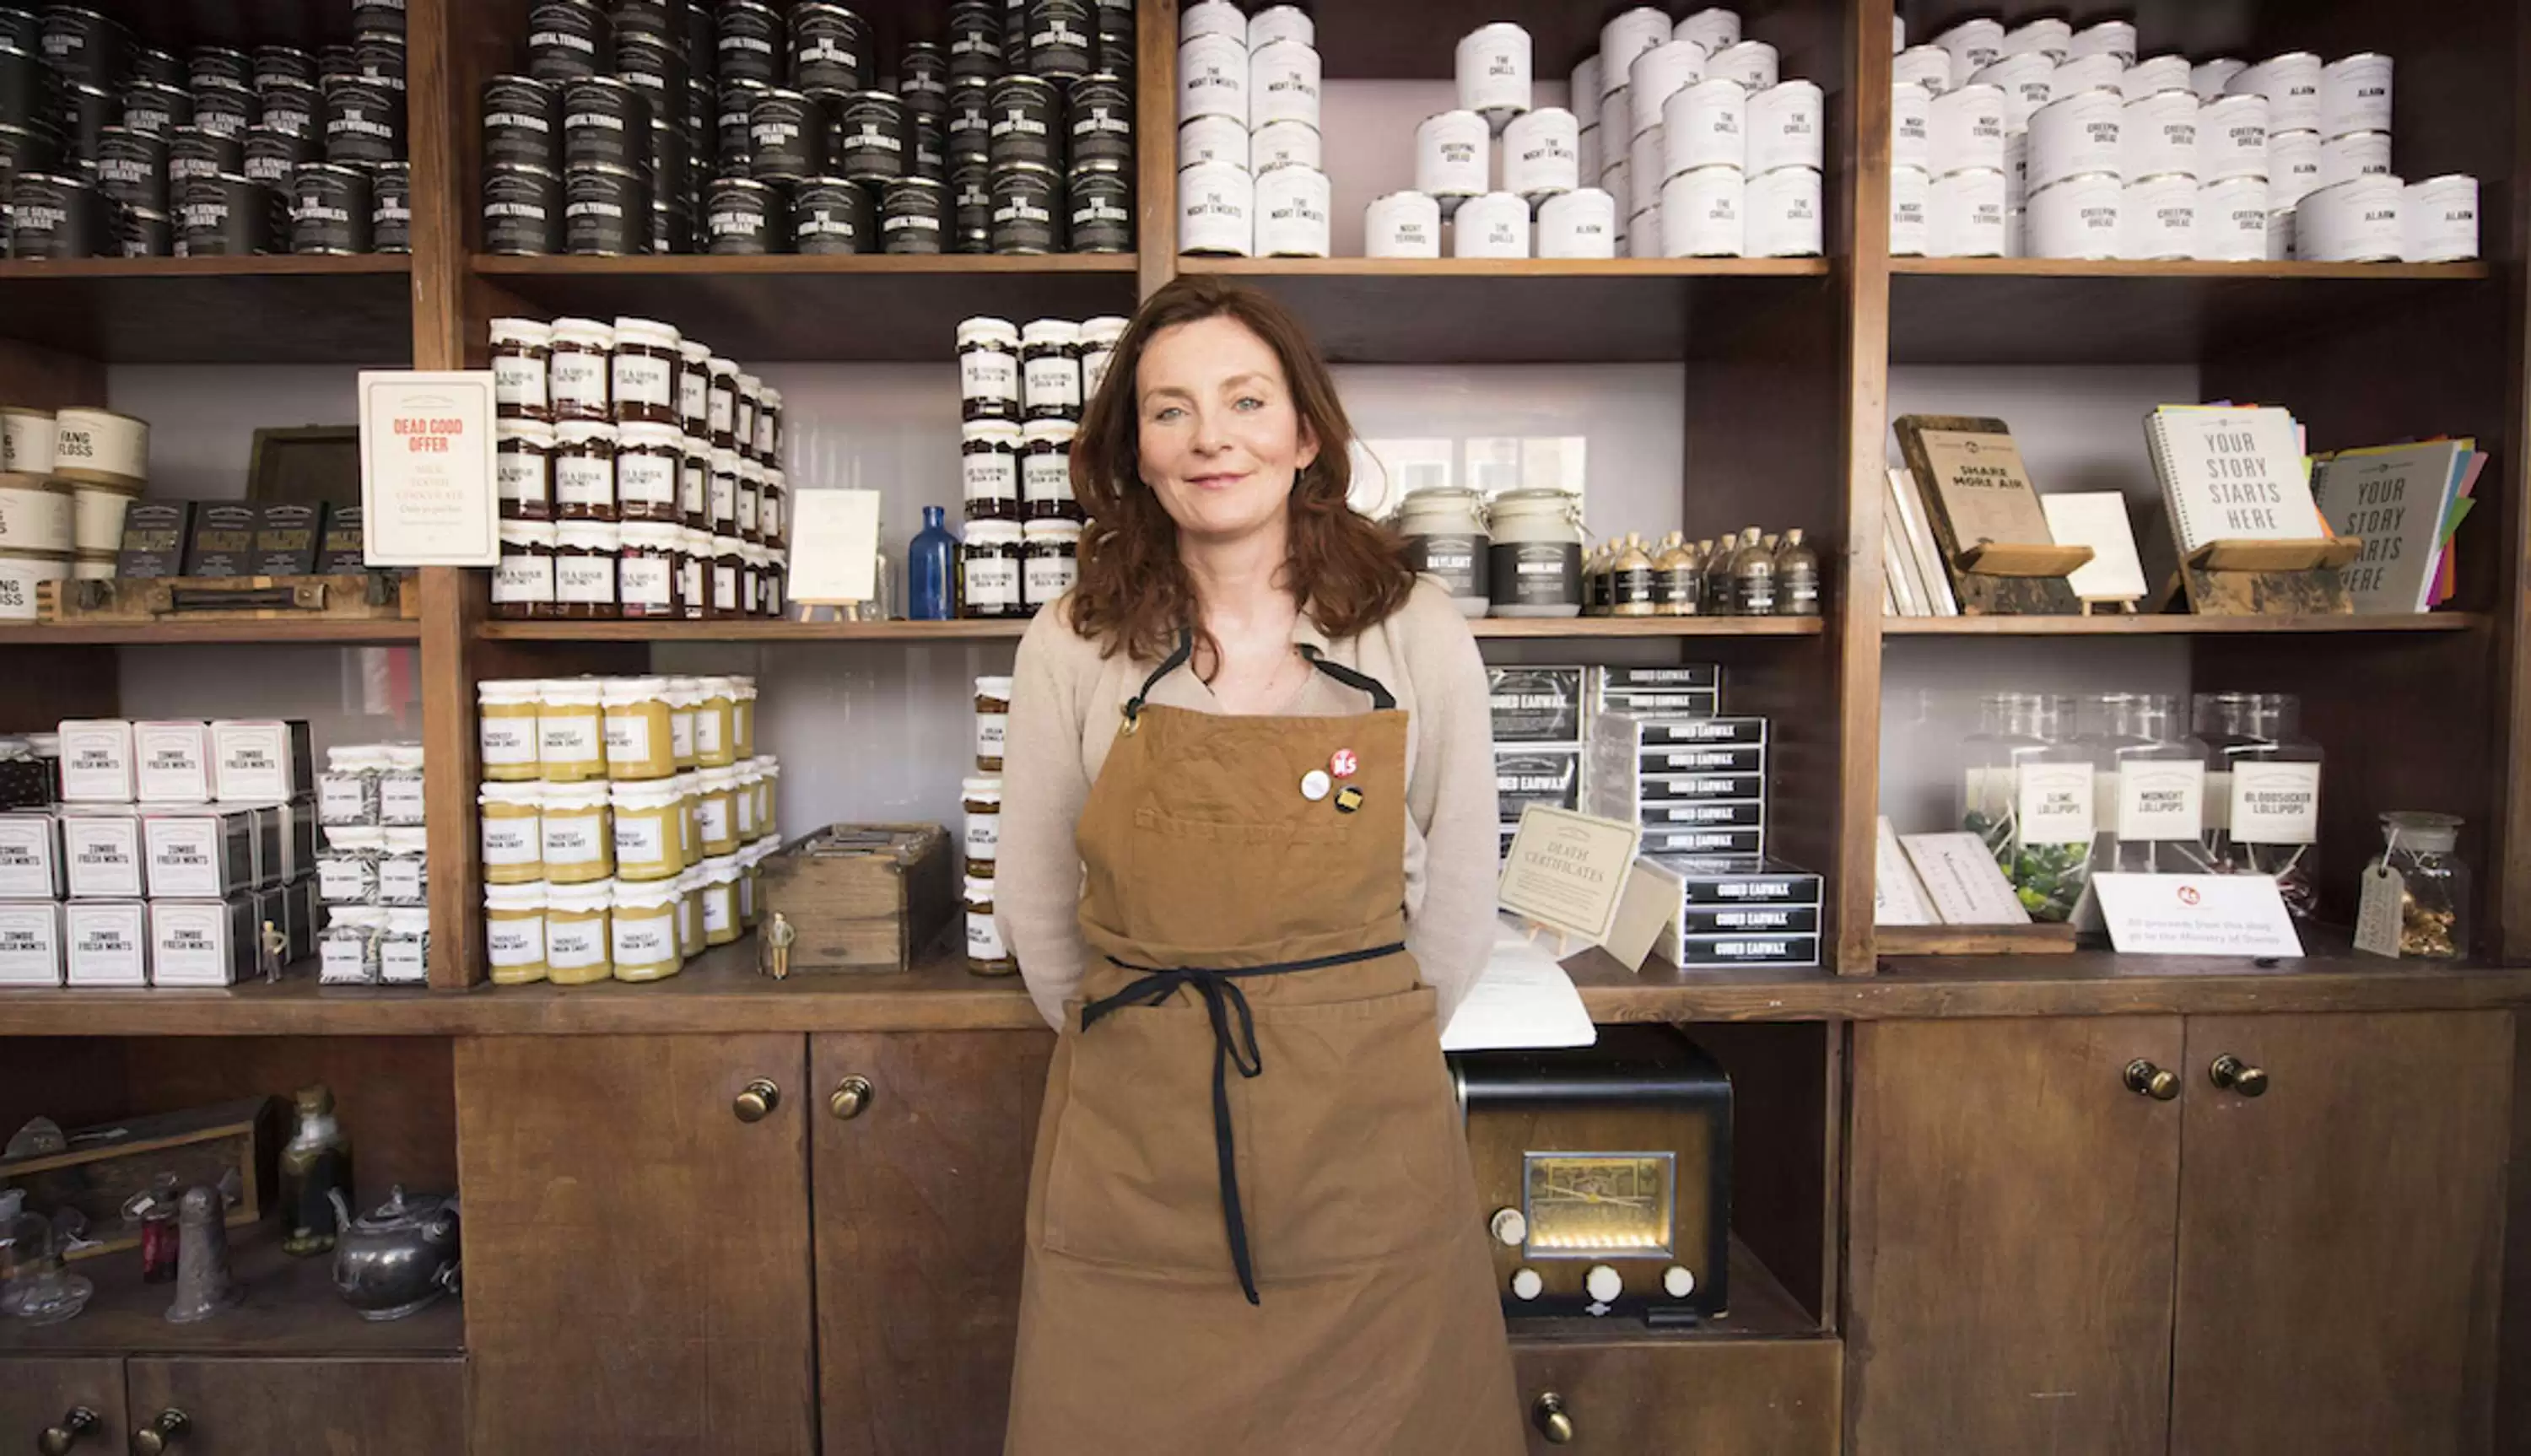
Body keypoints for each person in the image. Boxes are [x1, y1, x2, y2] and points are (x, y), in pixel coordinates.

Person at [995, 274, 1522, 1454]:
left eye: (1245, 400)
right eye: (1170, 409)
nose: (1211, 437)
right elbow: (1035, 902)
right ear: (1135, 448)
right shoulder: (1073, 637)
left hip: (1360, 1148)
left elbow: (1461, 904)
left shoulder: (1413, 625)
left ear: (1305, 433)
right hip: (1138, 1147)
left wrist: (1353, 1039)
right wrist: (1144, 1049)